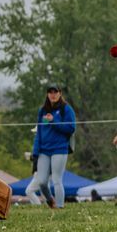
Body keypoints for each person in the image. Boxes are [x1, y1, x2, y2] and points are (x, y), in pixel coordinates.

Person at [27, 82, 76, 211]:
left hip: (59, 149)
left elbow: (71, 128)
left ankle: (60, 207)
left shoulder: (66, 109)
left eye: (55, 92)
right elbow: (39, 132)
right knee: (42, 182)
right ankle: (50, 201)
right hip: (43, 151)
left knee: (56, 180)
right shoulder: (42, 110)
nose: (53, 95)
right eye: (50, 92)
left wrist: (53, 121)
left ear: (60, 93)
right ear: (47, 94)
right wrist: (35, 152)